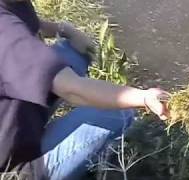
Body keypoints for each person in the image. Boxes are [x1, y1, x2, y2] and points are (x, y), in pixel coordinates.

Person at [0, 0, 169, 179]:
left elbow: (31, 22)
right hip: (16, 163)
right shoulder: (6, 33)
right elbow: (73, 90)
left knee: (73, 52)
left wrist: (65, 30)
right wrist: (144, 97)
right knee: (119, 112)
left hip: (18, 120)